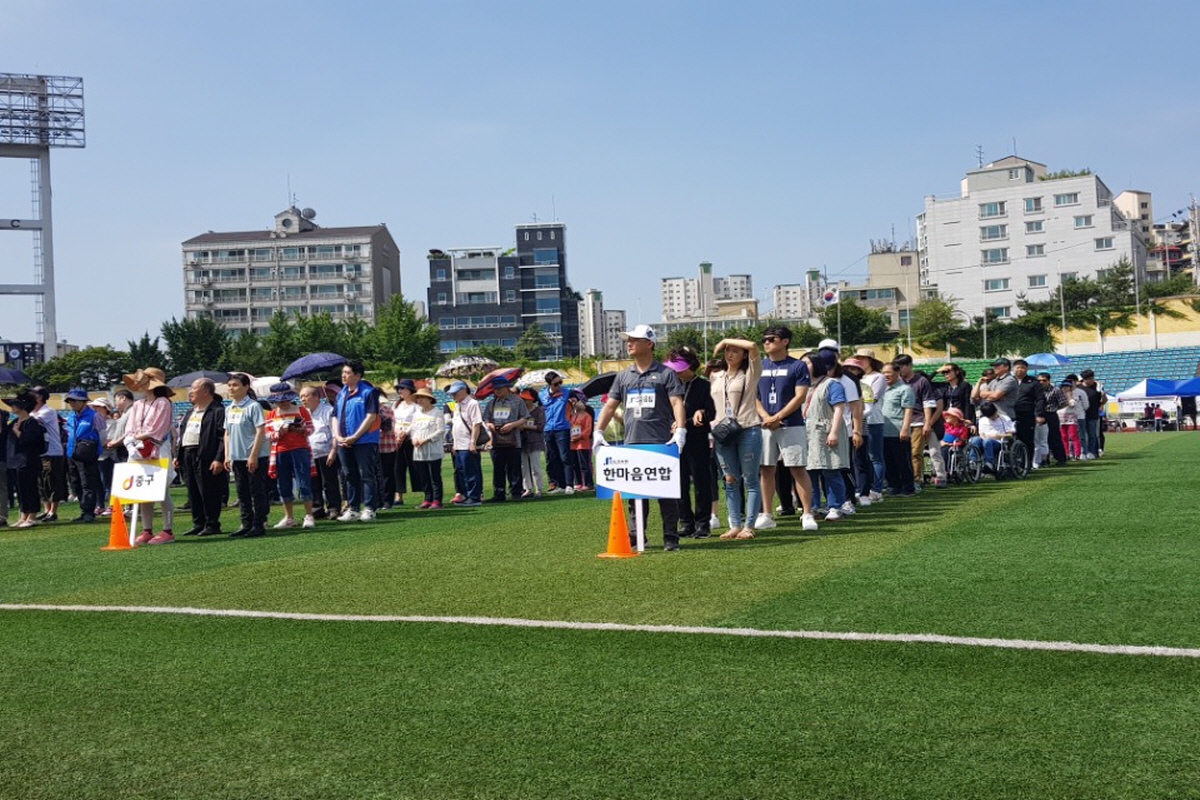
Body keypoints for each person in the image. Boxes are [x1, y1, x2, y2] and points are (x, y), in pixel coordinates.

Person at [594, 324, 688, 552]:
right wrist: (598, 431)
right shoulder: (623, 375)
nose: (629, 343)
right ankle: (637, 537)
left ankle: (670, 537)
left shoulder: (666, 374)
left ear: (649, 344)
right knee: (635, 496)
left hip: (660, 441)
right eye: (628, 340)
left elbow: (677, 402)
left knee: (666, 494)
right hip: (632, 441)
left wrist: (680, 430)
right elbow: (610, 405)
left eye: (634, 339)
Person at [755, 325, 818, 533]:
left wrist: (778, 416)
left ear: (785, 341)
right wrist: (766, 417)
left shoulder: (797, 366)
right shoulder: (759, 365)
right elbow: (753, 396)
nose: (766, 342)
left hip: (790, 424)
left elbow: (800, 396)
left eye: (772, 339)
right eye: (764, 339)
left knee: (797, 467)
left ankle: (807, 513)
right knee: (766, 468)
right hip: (765, 424)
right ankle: (766, 513)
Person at [710, 337, 762, 540]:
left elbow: (753, 347)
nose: (729, 354)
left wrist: (722, 340)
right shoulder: (717, 376)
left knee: (750, 479)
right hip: (723, 432)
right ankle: (734, 524)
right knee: (729, 479)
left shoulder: (750, 374)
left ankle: (749, 525)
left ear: (744, 355)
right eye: (727, 350)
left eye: (735, 351)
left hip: (748, 428)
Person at [122, 368, 178, 544]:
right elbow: (130, 428)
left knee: (161, 491)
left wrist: (135, 438)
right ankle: (147, 529)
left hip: (156, 449)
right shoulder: (138, 405)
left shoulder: (163, 403)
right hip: (138, 451)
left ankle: (167, 530)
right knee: (143, 492)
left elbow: (157, 430)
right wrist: (130, 441)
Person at [666, 346, 715, 538]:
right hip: (674, 440)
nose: (675, 371)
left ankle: (703, 523)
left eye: (678, 367)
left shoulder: (704, 386)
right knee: (679, 483)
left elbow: (713, 412)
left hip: (697, 438)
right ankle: (686, 522)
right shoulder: (670, 386)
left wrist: (702, 412)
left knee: (701, 482)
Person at [332, 360, 381, 521]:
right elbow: (334, 416)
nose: (344, 376)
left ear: (358, 376)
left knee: (366, 474)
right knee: (349, 475)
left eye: (347, 373)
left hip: (365, 441)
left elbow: (371, 416)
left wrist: (355, 436)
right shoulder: (341, 393)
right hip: (343, 441)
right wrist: (338, 436)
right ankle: (353, 508)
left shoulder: (369, 392)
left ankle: (370, 508)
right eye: (343, 373)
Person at [802, 352, 849, 521]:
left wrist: (834, 431)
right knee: (810, 472)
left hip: (826, 429)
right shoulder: (802, 385)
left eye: (807, 363)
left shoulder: (832, 384)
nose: (803, 366)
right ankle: (814, 506)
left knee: (831, 470)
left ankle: (836, 506)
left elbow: (839, 409)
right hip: (807, 432)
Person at [178, 377, 227, 537]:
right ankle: (198, 523)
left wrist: (219, 458)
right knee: (192, 490)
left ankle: (212, 523)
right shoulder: (190, 411)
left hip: (207, 455)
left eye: (194, 388)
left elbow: (222, 436)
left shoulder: (217, 411)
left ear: (206, 391)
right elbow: (183, 434)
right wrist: (178, 455)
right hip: (188, 454)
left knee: (208, 490)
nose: (190, 392)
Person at [224, 373, 270, 538]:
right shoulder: (229, 408)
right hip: (237, 457)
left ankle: (259, 524)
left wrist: (254, 455)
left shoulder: (253, 406)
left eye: (235, 385)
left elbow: (260, 431)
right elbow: (227, 433)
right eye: (229, 385)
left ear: (246, 387)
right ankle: (246, 523)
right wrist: (227, 455)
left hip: (255, 456)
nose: (231, 388)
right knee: (242, 491)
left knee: (256, 491)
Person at [266, 382, 316, 530]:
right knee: (284, 484)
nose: (283, 402)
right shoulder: (271, 414)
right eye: (280, 400)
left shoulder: (301, 411)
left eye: (286, 399)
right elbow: (268, 435)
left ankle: (309, 515)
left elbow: (310, 428)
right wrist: (279, 433)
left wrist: (302, 430)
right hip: (280, 451)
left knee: (304, 482)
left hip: (300, 449)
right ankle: (289, 517)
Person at [893, 354, 946, 489]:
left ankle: (920, 480)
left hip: (919, 421)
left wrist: (927, 423)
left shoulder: (922, 382)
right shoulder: (897, 382)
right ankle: (908, 479)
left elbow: (928, 404)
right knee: (905, 453)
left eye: (901, 367)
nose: (898, 370)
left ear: (909, 365)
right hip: (901, 422)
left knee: (919, 452)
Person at [2, 394, 46, 528]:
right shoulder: (14, 422)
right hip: (15, 461)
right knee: (20, 490)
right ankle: (23, 516)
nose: (12, 407)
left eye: (15, 404)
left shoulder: (32, 423)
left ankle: (32, 516)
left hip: (28, 461)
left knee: (30, 488)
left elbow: (30, 441)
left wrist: (17, 431)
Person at [483, 375, 527, 502]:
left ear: (507, 388)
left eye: (500, 389)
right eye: (495, 389)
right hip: (497, 440)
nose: (497, 391)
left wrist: (512, 425)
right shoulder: (492, 403)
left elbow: (525, 417)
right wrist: (490, 425)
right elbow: (486, 419)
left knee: (514, 467)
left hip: (514, 439)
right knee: (498, 468)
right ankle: (499, 493)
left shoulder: (518, 401)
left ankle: (516, 492)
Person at [63, 388, 104, 524]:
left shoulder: (94, 416)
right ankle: (83, 510)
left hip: (87, 454)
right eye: (69, 401)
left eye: (74, 400)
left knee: (87, 483)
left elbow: (102, 434)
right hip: (72, 454)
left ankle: (89, 512)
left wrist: (97, 451)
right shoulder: (71, 416)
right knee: (76, 483)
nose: (72, 403)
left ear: (83, 401)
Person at [301, 385, 341, 519]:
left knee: (329, 482)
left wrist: (333, 451)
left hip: (325, 451)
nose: (303, 399)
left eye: (306, 396)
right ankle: (317, 508)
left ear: (317, 397)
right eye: (301, 396)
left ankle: (334, 507)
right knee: (313, 482)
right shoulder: (303, 413)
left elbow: (335, 432)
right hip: (309, 453)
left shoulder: (328, 411)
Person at [28, 386, 66, 522]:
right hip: (39, 452)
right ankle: (46, 509)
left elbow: (33, 423)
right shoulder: (32, 412)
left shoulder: (48, 411)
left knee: (51, 481)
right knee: (41, 482)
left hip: (52, 451)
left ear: (40, 397)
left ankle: (53, 511)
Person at [880, 363, 917, 496]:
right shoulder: (882, 389)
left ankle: (908, 487)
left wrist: (905, 428)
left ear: (897, 372)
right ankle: (893, 486)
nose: (885, 375)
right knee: (888, 461)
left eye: (888, 372)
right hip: (883, 431)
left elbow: (908, 410)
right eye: (883, 373)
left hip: (898, 431)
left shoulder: (904, 389)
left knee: (902, 461)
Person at [448, 380, 484, 507]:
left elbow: (476, 424)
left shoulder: (472, 404)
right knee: (462, 471)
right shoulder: (457, 405)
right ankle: (467, 495)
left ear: (463, 390)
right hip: (459, 444)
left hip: (468, 443)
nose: (453, 396)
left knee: (471, 471)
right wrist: (454, 443)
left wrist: (473, 442)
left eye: (455, 393)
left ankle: (474, 497)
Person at [409, 388, 445, 509]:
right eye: (418, 398)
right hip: (419, 450)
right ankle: (427, 498)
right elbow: (413, 429)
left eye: (422, 397)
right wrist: (414, 439)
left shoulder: (437, 412)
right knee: (423, 476)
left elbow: (440, 430)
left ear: (430, 399)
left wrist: (427, 439)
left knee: (434, 476)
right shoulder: (417, 414)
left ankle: (437, 499)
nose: (420, 400)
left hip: (432, 449)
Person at [539, 372, 575, 494]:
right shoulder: (542, 394)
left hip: (562, 428)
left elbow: (579, 400)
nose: (559, 385)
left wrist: (575, 402)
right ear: (549, 384)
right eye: (556, 383)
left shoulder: (567, 392)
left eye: (561, 382)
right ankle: (560, 485)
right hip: (548, 429)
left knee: (565, 457)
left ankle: (570, 485)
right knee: (553, 458)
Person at [392, 379, 422, 506]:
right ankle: (398, 495)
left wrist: (406, 432)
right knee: (398, 467)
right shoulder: (396, 405)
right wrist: (396, 433)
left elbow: (417, 422)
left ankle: (424, 492)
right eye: (399, 389)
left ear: (410, 391)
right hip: (397, 438)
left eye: (403, 388)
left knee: (415, 466)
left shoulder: (416, 407)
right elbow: (393, 420)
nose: (400, 391)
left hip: (411, 438)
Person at [519, 389, 546, 498]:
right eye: (523, 399)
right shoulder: (520, 411)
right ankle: (527, 488)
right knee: (524, 467)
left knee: (536, 467)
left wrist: (525, 426)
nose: (524, 401)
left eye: (526, 399)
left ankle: (538, 488)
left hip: (535, 442)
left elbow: (540, 427)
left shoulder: (539, 411)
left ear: (532, 399)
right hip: (522, 441)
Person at [1037, 372, 1068, 466]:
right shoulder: (1036, 390)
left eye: (1044, 380)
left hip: (1051, 415)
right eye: (1039, 380)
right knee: (1040, 438)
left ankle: (1060, 458)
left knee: (1054, 437)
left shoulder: (1055, 390)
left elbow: (1064, 402)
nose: (1041, 382)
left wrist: (1055, 408)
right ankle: (1043, 459)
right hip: (1039, 414)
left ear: (1049, 381)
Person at [973, 400, 1015, 470]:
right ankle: (973, 461)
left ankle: (989, 462)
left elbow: (1010, 435)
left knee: (987, 442)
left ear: (996, 411)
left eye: (992, 416)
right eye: (989, 417)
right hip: (985, 439)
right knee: (975, 440)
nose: (992, 418)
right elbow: (981, 434)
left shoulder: (1005, 419)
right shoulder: (982, 420)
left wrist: (999, 435)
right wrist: (984, 437)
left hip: (999, 442)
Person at [568, 391, 594, 492]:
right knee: (575, 464)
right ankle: (578, 482)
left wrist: (579, 436)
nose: (573, 403)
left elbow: (588, 430)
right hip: (573, 444)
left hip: (583, 443)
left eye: (575, 401)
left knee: (584, 464)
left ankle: (589, 483)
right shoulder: (573, 415)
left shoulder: (587, 415)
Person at [1078, 369, 1105, 459]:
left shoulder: (1097, 387)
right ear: (1084, 379)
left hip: (1093, 415)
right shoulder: (1079, 388)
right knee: (1082, 435)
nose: (1091, 380)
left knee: (1092, 435)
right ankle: (1083, 452)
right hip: (1081, 415)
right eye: (1088, 378)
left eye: (1092, 378)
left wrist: (1102, 394)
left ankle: (1092, 452)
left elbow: (1103, 401)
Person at [376, 399, 398, 510]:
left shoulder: (386, 411)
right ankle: (378, 500)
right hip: (373, 447)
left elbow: (389, 430)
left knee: (387, 475)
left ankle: (388, 501)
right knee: (376, 476)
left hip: (386, 446)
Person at [1057, 381, 1082, 459]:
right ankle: (1066, 453)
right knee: (1063, 437)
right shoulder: (1058, 396)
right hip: (1060, 419)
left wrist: (1069, 396)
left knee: (1073, 436)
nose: (1065, 388)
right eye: (1063, 386)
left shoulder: (1075, 396)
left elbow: (1073, 404)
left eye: (1067, 386)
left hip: (1071, 419)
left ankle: (1077, 454)